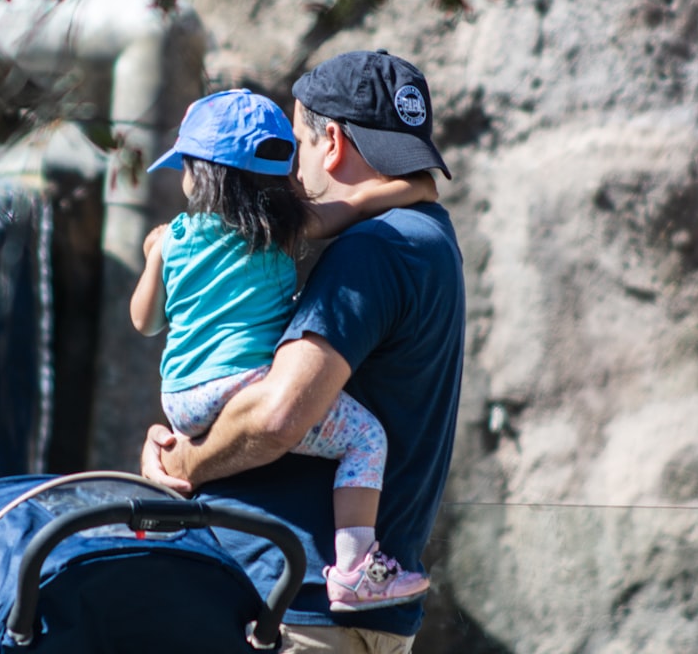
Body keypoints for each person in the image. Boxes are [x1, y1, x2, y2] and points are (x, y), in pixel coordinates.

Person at [141, 50, 466, 653]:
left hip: (297, 610)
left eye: (297, 145)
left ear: (332, 142)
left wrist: (181, 462)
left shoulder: (373, 249)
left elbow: (278, 414)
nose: (290, 169)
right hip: (322, 610)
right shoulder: (427, 236)